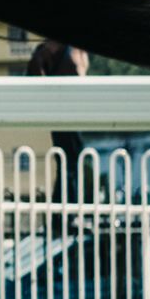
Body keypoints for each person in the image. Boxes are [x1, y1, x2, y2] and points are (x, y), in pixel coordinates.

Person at [26, 39, 90, 206]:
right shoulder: (49, 50)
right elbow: (34, 78)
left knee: (70, 163)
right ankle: (67, 211)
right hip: (62, 113)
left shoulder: (64, 49)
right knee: (69, 163)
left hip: (70, 113)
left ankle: (66, 210)